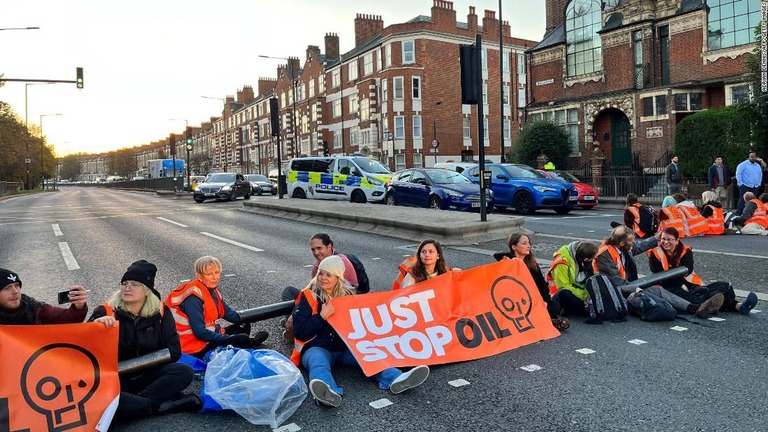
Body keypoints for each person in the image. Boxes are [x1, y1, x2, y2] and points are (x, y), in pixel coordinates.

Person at [292, 255, 430, 407]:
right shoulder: (308, 295)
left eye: (328, 274)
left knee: (371, 354)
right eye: (321, 273)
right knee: (318, 363)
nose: (323, 278)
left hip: (345, 347)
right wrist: (321, 317)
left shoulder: (350, 294)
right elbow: (300, 332)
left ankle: (397, 378)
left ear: (338, 277)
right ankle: (327, 392)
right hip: (317, 347)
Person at [89, 260, 201, 419]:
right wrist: (95, 327)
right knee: (95, 399)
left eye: (135, 284)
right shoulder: (106, 311)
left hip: (148, 376)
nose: (127, 288)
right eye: (124, 283)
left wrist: (146, 363)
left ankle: (136, 404)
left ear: (147, 290)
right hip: (115, 379)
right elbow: (81, 352)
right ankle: (159, 406)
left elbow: (174, 351)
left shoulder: (161, 311)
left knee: (184, 371)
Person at [593, 225, 723, 318]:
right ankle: (690, 307)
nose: (633, 244)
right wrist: (638, 287)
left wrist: (656, 238)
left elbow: (639, 247)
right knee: (648, 292)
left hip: (627, 285)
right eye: (631, 242)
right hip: (615, 290)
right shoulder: (605, 254)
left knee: (659, 291)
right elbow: (617, 281)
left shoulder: (622, 247)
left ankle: (694, 308)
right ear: (621, 243)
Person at [165, 256, 268, 358]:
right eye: (209, 274)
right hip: (191, 345)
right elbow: (200, 333)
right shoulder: (193, 297)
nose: (215, 277)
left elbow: (230, 314)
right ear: (199, 276)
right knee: (242, 339)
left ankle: (241, 344)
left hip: (206, 334)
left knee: (243, 325)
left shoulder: (211, 290)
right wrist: (227, 339)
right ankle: (251, 342)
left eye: (217, 272)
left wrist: (246, 319)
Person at [281, 233, 370, 341]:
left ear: (329, 247)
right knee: (289, 291)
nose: (316, 253)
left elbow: (345, 291)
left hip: (338, 300)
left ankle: (296, 327)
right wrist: (297, 311)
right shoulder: (318, 265)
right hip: (322, 295)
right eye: (313, 249)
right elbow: (312, 289)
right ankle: (294, 323)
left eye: (319, 248)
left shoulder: (341, 262)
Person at [647, 228, 758, 315]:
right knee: (693, 296)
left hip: (689, 283)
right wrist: (679, 284)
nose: (665, 242)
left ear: (676, 240)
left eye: (669, 239)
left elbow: (688, 269)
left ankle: (737, 306)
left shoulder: (685, 251)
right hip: (667, 286)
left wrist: (683, 284)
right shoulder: (655, 253)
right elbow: (659, 276)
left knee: (724, 287)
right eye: (663, 239)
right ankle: (733, 306)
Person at [494, 233, 570, 331]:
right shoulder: (506, 262)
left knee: (555, 306)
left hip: (533, 299)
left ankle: (541, 321)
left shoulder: (531, 263)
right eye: (524, 243)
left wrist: (545, 301)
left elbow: (542, 285)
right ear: (514, 247)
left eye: (529, 243)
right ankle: (544, 322)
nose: (528, 246)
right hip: (516, 302)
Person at [0, 268, 89, 325]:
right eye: (7, 288)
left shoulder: (31, 306)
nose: (15, 291)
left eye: (16, 285)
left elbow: (64, 319)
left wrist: (78, 307)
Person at [546, 241, 599, 318]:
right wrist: (585, 296)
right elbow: (563, 286)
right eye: (593, 258)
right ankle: (586, 309)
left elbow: (590, 279)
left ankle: (590, 307)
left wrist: (590, 295)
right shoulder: (562, 262)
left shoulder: (582, 257)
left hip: (579, 291)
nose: (595, 259)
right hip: (559, 294)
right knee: (565, 293)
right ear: (586, 259)